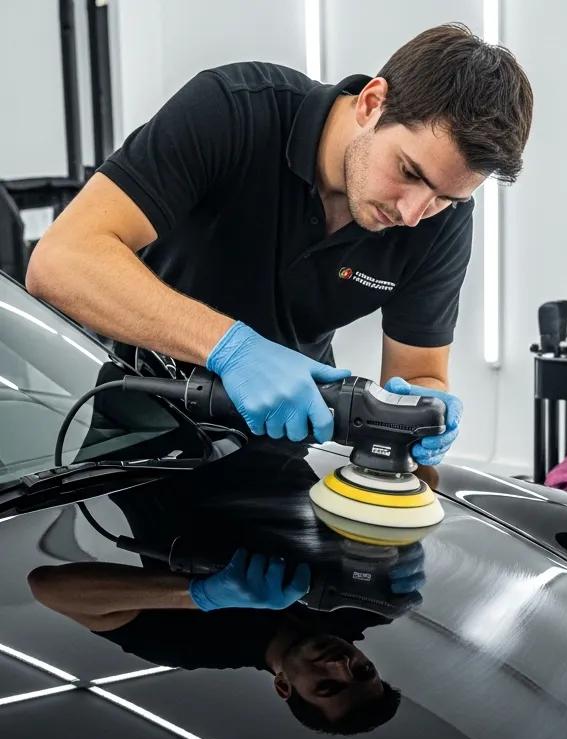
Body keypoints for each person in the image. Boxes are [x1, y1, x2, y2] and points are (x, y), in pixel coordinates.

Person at [25, 24, 533, 465]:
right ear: (373, 103)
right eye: (408, 172)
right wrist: (233, 349)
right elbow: (62, 260)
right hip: (136, 435)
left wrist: (426, 411)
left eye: (445, 196)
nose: (412, 213)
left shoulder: (438, 221)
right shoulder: (231, 111)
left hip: (282, 449)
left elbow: (419, 372)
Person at [27, 549, 403, 735]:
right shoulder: (367, 607)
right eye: (363, 670)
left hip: (155, 444)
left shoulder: (197, 644)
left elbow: (49, 587)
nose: (341, 664)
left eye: (327, 685)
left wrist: (199, 594)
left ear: (284, 686)